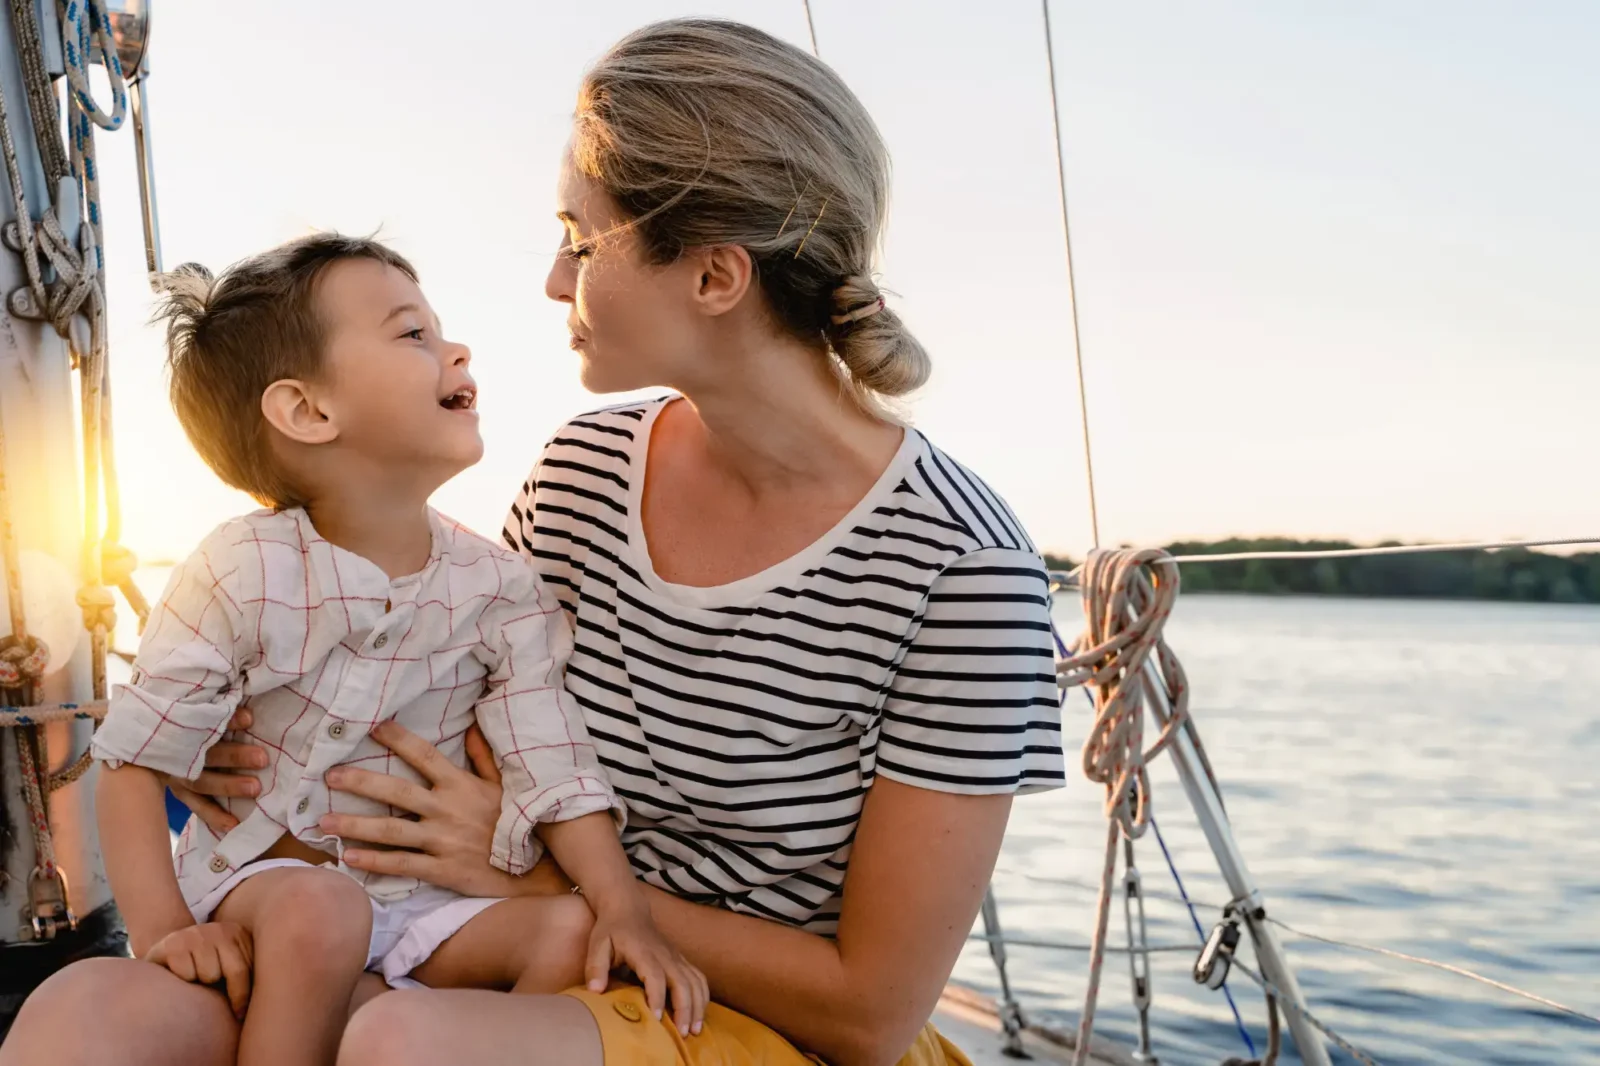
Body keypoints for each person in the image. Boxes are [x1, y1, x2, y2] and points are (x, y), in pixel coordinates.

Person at [1, 18, 1063, 1066]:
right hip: (494, 942)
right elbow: (459, 712)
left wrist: (538, 880)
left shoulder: (965, 572)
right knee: (86, 1021)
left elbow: (870, 1014)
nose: (554, 282)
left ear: (713, 277)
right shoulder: (583, 472)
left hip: (750, 1022)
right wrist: (256, 732)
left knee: (405, 1048)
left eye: (579, 239)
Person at [75, 234, 703, 1066]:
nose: (455, 350)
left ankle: (380, 1027)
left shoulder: (502, 589)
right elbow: (134, 760)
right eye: (413, 335)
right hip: (262, 882)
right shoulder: (240, 567)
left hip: (425, 905)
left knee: (570, 930)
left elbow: (553, 766)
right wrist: (162, 933)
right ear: (307, 412)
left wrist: (626, 909)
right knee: (320, 911)